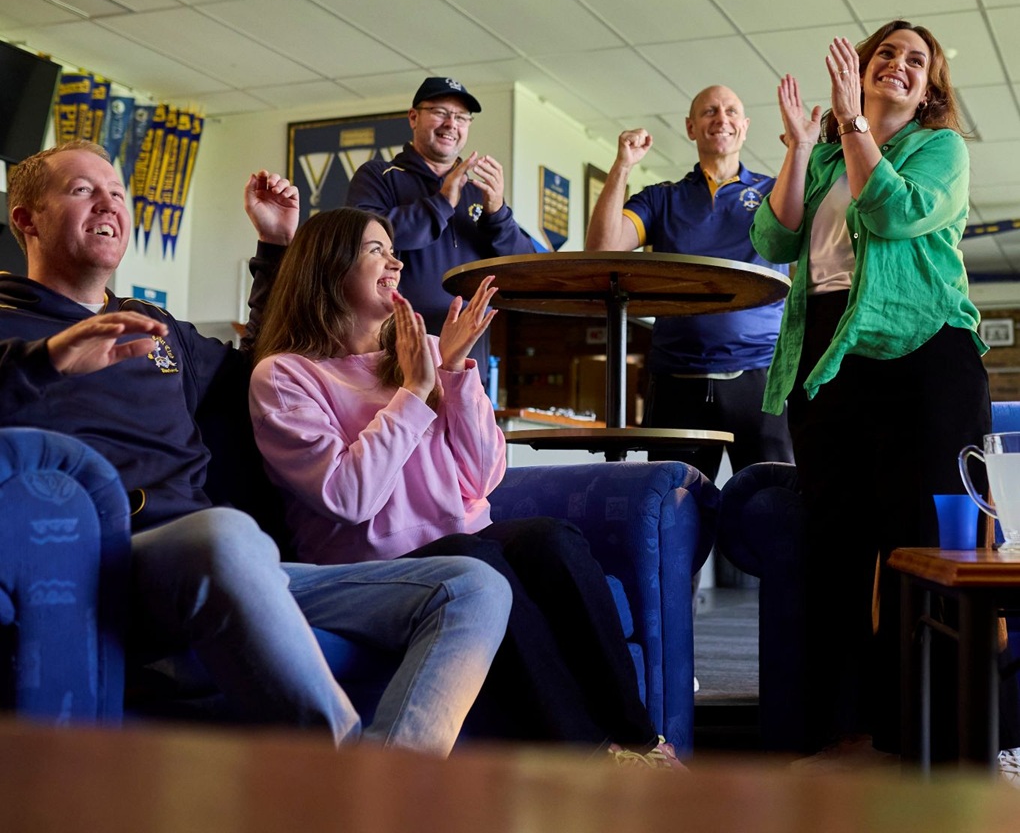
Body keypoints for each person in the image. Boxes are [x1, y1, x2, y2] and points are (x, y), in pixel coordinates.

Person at [0, 140, 512, 756]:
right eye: (82, 190)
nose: (108, 204)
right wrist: (46, 360)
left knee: (475, 587)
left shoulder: (154, 326)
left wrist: (274, 248)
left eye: (116, 192)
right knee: (224, 534)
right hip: (112, 557)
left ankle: (391, 786)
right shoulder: (10, 326)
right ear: (26, 219)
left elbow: (257, 367)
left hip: (236, 563)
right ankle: (356, 780)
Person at [248, 206, 680, 768]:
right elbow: (349, 499)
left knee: (552, 539)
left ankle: (644, 742)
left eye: (391, 248)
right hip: (373, 563)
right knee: (479, 558)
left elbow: (483, 476)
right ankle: (593, 761)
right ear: (327, 269)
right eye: (376, 249)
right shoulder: (285, 376)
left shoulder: (421, 353)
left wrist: (452, 371)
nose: (396, 262)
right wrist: (414, 392)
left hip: (463, 536)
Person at [751, 20, 1019, 760]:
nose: (897, 64)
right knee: (836, 546)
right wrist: (806, 148)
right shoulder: (832, 151)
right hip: (831, 355)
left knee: (927, 547)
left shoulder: (940, 149)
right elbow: (773, 240)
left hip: (924, 353)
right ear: (863, 66)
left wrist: (855, 123)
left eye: (915, 59)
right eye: (885, 54)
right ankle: (835, 731)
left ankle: (941, 738)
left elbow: (893, 211)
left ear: (932, 85)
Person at [585, 85, 793, 483]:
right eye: (710, 111)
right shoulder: (662, 199)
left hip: (760, 374)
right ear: (691, 127)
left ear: (745, 127)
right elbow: (603, 249)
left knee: (770, 508)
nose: (722, 118)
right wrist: (623, 165)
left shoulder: (773, 193)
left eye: (732, 111)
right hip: (677, 376)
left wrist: (799, 152)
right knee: (672, 513)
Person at [347, 76, 536, 387]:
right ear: (413, 117)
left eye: (461, 117)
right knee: (400, 432)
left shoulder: (478, 192)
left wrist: (498, 212)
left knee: (465, 437)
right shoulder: (379, 176)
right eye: (439, 112)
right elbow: (368, 244)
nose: (451, 124)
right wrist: (443, 202)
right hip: (395, 352)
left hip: (466, 358)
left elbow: (522, 269)